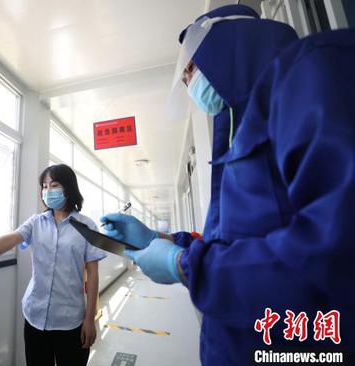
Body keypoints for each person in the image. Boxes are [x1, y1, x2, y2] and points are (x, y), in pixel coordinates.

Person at [101, 4, 355, 364]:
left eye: (191, 68)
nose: (189, 81)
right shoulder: (239, 130)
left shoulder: (312, 75)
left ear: (228, 48)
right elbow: (237, 239)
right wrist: (164, 241)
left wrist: (185, 266)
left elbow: (333, 259)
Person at [0, 163, 106, 366]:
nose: (48, 191)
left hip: (70, 321)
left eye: (54, 185)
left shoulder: (86, 226)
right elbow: (8, 240)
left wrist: (89, 319)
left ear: (69, 188)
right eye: (44, 186)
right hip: (35, 317)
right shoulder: (36, 222)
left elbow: (93, 275)